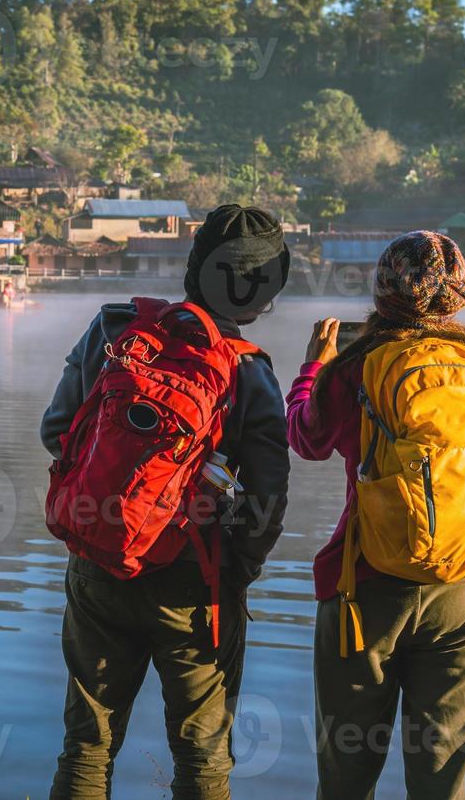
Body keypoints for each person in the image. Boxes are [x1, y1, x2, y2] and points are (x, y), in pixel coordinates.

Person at [41, 204, 293, 800]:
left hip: (98, 562)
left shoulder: (114, 329)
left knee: (86, 746)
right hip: (196, 584)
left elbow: (56, 432)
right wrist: (239, 571)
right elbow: (269, 497)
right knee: (201, 753)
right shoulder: (250, 373)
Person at [285, 231, 465, 800]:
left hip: (364, 589)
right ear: (460, 297)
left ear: (383, 295)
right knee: (442, 784)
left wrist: (314, 370)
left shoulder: (354, 368)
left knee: (346, 780)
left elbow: (306, 439)